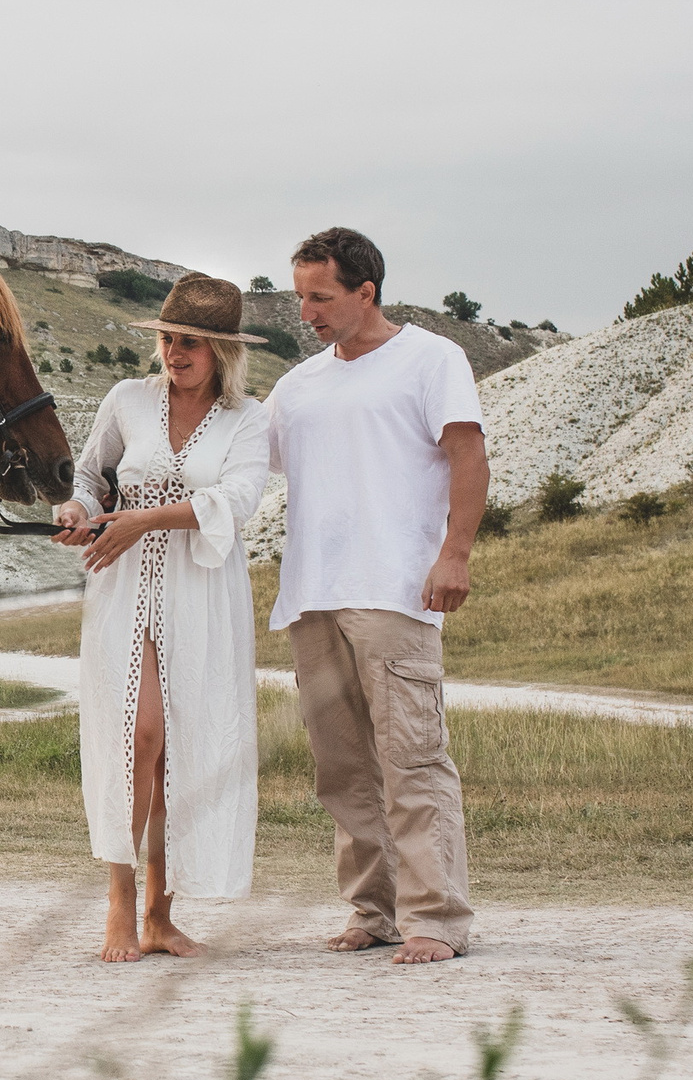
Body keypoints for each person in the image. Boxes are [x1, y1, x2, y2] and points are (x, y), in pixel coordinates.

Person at [265, 227, 487, 965]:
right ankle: (373, 908)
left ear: (367, 291)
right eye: (299, 296)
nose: (307, 312)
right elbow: (236, 462)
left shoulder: (431, 359)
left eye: (320, 296)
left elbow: (467, 455)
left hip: (395, 590)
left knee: (412, 759)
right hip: (311, 595)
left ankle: (437, 919)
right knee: (342, 768)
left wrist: (454, 553)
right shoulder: (295, 387)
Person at [52, 275, 272, 964]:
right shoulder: (127, 400)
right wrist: (77, 511)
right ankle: (120, 905)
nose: (174, 353)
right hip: (125, 583)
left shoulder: (248, 419)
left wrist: (148, 516)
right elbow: (89, 476)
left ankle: (160, 914)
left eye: (191, 343)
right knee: (137, 733)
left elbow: (237, 500)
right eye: (168, 339)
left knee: (184, 744)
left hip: (203, 587)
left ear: (221, 352)